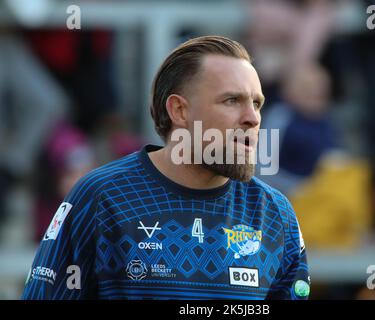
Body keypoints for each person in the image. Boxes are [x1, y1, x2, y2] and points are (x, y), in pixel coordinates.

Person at [22, 36, 310, 300]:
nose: (252, 118)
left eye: (257, 104)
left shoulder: (276, 215)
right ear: (179, 111)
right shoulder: (101, 198)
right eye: (232, 100)